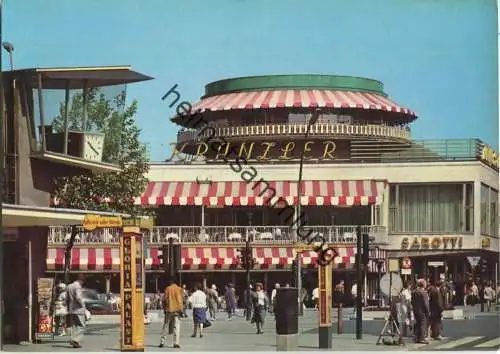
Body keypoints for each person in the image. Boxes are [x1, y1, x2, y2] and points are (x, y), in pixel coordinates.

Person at [159, 280, 183, 348]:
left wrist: (164, 308)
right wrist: (181, 309)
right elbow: (181, 300)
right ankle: (176, 343)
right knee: (177, 326)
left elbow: (164, 299)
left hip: (169, 309)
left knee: (165, 325)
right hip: (177, 310)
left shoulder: (167, 288)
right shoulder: (179, 289)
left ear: (170, 283)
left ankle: (162, 342)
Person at [66, 274, 87, 348]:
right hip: (78, 309)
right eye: (83, 281)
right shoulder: (77, 286)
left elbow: (67, 298)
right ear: (81, 280)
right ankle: (75, 340)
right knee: (81, 325)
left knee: (74, 326)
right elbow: (78, 297)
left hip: (71, 308)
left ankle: (73, 339)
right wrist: (83, 306)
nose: (83, 283)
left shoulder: (69, 286)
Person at [411, 279, 430, 344]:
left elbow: (412, 301)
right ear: (423, 285)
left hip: (415, 310)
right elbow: (425, 303)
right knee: (423, 324)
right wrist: (428, 311)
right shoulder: (423, 292)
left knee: (417, 323)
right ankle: (421, 338)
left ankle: (416, 337)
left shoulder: (414, 291)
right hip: (422, 311)